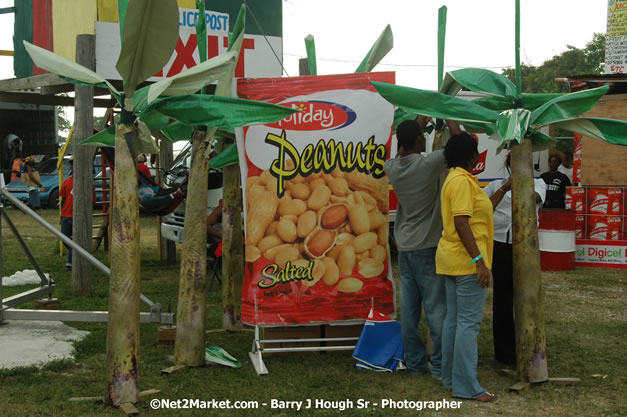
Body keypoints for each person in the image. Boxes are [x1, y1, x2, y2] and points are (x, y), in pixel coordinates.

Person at [383, 116, 460, 378]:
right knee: (437, 311)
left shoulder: (392, 167)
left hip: (405, 250)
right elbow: (459, 148)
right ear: (418, 139)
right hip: (428, 248)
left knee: (410, 314)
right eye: (421, 134)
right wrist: (448, 116)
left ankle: (415, 364)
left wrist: (419, 120)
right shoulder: (428, 164)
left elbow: (402, 149)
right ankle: (439, 366)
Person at [436, 132, 496, 402]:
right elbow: (462, 223)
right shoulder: (460, 181)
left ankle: (450, 378)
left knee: (455, 321)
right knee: (467, 324)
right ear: (470, 155)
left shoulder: (459, 178)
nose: (478, 155)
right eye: (477, 151)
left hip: (454, 260)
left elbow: (475, 215)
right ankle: (466, 387)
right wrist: (479, 262)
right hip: (465, 262)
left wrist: (504, 189)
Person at [483, 154, 546, 366]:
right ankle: (504, 351)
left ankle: (528, 346)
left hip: (526, 245)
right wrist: (505, 188)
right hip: (500, 244)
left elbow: (534, 198)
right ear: (509, 164)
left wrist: (519, 184)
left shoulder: (539, 183)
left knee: (527, 297)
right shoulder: (495, 185)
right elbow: (483, 207)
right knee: (503, 297)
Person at [59, 163, 75, 270]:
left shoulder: (86, 182)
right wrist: (61, 215)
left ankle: (70, 262)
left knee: (77, 240)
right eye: (71, 165)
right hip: (66, 215)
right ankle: (72, 251)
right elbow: (63, 199)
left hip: (78, 217)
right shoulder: (67, 181)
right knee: (64, 237)